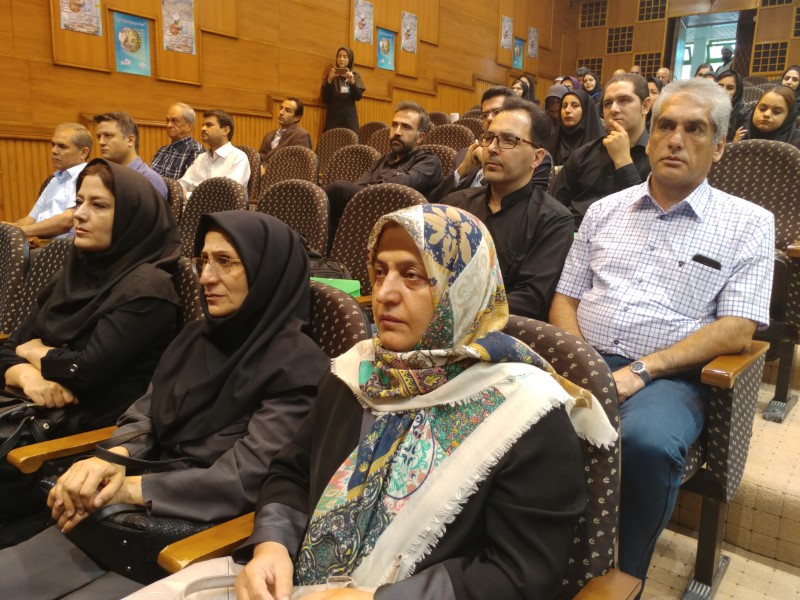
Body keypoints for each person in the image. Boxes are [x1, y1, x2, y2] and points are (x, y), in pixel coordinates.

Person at [135, 203, 616, 600]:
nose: (384, 294)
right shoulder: (359, 371)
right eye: (380, 271)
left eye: (414, 276)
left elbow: (522, 574)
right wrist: (272, 547)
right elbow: (291, 473)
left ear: (462, 289)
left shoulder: (525, 409)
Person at [0, 211, 330, 599]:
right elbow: (146, 412)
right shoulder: (196, 337)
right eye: (203, 261)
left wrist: (127, 488)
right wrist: (113, 459)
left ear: (266, 270)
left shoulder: (299, 366)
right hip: (126, 513)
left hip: (195, 536)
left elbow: (241, 480)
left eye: (225, 261)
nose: (206, 277)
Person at [549, 78, 774, 590]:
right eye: (666, 126)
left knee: (645, 443)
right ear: (647, 138)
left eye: (695, 129)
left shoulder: (749, 223)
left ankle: (624, 578)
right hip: (588, 358)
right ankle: (534, 558)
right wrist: (580, 362)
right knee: (515, 410)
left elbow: (738, 329)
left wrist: (642, 370)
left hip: (673, 376)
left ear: (719, 147)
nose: (675, 140)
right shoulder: (604, 211)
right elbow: (566, 298)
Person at [0, 158, 182, 545]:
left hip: (78, 441)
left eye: (98, 205)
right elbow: (10, 348)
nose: (79, 214)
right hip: (30, 413)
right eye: (79, 201)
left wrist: (35, 350)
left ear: (132, 217)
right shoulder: (74, 270)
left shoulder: (149, 289)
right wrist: (29, 375)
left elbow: (85, 371)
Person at [443, 97, 573, 320]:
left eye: (508, 140)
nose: (492, 149)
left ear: (537, 158)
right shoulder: (456, 204)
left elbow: (530, 300)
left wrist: (455, 312)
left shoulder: (553, 220)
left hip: (498, 331)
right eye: (489, 138)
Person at [553, 74, 652, 230]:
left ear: (645, 106)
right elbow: (554, 206)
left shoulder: (658, 158)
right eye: (608, 103)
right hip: (575, 233)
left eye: (624, 100)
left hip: (628, 238)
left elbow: (649, 216)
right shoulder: (583, 154)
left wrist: (623, 162)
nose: (613, 109)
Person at [324, 101, 442, 232]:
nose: (397, 132)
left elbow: (397, 190)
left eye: (406, 127)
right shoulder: (382, 161)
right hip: (363, 219)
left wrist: (373, 185)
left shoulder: (428, 161)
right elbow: (359, 190)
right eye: (394, 125)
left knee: (339, 189)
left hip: (397, 227)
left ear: (420, 137)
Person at [428, 87, 552, 202]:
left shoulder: (530, 157)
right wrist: (462, 170)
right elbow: (433, 200)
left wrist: (487, 161)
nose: (489, 118)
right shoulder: (465, 153)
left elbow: (527, 204)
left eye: (497, 112)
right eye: (485, 115)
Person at [9, 123, 91, 239]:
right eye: (53, 145)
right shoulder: (54, 181)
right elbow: (29, 220)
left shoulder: (88, 177)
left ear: (83, 152)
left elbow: (68, 221)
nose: (54, 150)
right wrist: (7, 228)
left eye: (62, 146)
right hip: (40, 243)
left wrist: (22, 231)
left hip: (64, 246)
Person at [94, 112, 168, 199]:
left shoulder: (150, 180)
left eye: (108, 136)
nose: (101, 142)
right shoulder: (103, 176)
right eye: (99, 137)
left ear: (130, 140)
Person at [179, 110, 251, 199]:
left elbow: (227, 193)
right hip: (192, 205)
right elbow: (183, 184)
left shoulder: (239, 158)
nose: (203, 128)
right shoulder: (201, 158)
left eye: (209, 125)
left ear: (225, 130)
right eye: (203, 125)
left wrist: (188, 196)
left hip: (222, 207)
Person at [149, 103, 204, 180]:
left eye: (175, 121)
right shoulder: (162, 151)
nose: (169, 125)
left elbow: (192, 185)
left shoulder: (196, 151)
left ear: (189, 127)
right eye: (167, 121)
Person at [257, 97, 312, 175]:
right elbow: (261, 157)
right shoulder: (269, 135)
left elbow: (301, 166)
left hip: (283, 178)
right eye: (281, 108)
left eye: (287, 110)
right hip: (260, 175)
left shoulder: (301, 135)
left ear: (297, 118)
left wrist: (267, 169)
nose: (281, 112)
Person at [550, 88, 605, 165]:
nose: (567, 110)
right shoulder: (552, 139)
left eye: (575, 106)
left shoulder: (600, 143)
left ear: (585, 110)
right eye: (564, 106)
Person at [322, 47, 366, 134]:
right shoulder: (331, 75)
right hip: (333, 119)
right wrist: (329, 81)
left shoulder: (355, 76)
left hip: (349, 119)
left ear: (350, 59)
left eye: (345, 57)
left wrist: (352, 82)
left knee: (352, 141)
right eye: (339, 56)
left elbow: (358, 97)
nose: (341, 59)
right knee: (331, 141)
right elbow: (325, 99)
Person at [746, 85, 800, 150]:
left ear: (788, 117)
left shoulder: (797, 143)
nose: (766, 114)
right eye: (762, 109)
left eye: (776, 112)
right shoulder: (743, 136)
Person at [715, 70, 750, 142]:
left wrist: (732, 143)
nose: (723, 91)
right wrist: (732, 141)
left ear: (737, 92)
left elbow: (739, 144)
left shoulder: (745, 114)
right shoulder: (706, 109)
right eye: (720, 86)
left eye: (730, 88)